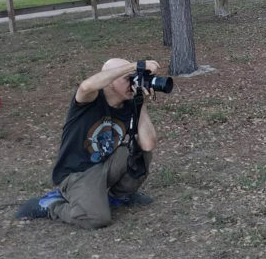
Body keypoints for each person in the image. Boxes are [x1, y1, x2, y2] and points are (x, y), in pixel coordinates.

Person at [16, 58, 160, 229]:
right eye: (127, 78)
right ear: (110, 80)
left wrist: (141, 103)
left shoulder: (129, 104)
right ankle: (51, 205)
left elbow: (148, 145)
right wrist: (135, 66)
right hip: (77, 173)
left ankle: (119, 197)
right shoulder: (91, 98)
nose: (132, 82)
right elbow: (85, 86)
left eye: (134, 77)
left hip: (104, 165)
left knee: (138, 152)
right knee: (96, 218)